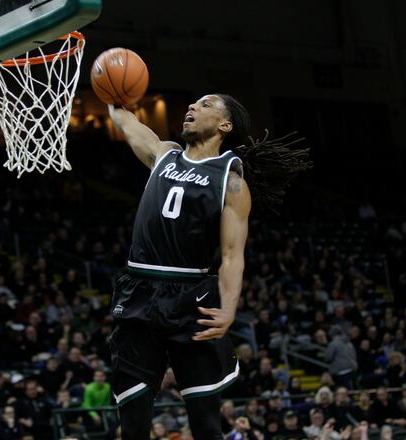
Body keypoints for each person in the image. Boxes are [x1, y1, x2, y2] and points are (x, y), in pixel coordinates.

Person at [108, 96, 309, 440]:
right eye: (192, 104)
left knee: (205, 423)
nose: (192, 107)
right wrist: (115, 97)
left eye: (205, 105)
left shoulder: (231, 183)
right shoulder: (164, 153)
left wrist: (229, 308)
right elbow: (129, 127)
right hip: (139, 289)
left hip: (190, 296)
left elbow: (232, 256)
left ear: (224, 125)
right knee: (134, 419)